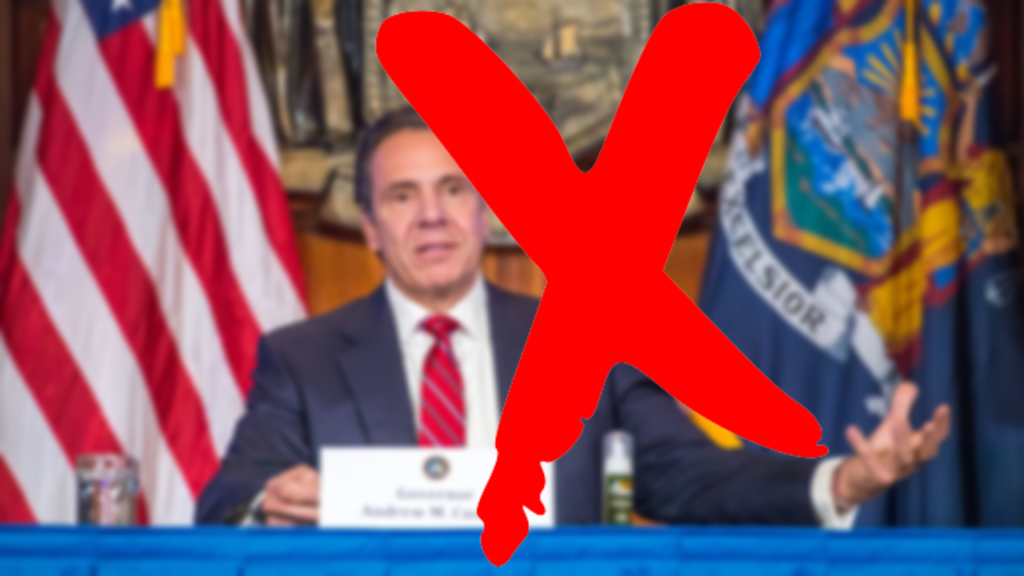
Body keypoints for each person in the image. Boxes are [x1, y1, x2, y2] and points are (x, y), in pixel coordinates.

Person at [196, 107, 951, 527]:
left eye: (454, 190)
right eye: (402, 196)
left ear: (486, 211)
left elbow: (689, 478)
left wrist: (842, 480)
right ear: (368, 225)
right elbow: (226, 501)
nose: (431, 215)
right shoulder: (301, 359)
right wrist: (269, 505)